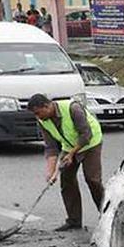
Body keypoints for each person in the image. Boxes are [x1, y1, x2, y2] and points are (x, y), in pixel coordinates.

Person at [27, 93, 104, 231]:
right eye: (35, 114)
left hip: (91, 144)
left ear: (47, 106)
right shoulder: (43, 121)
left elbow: (86, 135)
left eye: (38, 113)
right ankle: (74, 221)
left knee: (92, 179)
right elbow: (51, 147)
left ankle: (106, 215)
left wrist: (71, 155)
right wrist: (50, 172)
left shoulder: (73, 108)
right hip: (69, 147)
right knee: (66, 181)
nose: (38, 117)